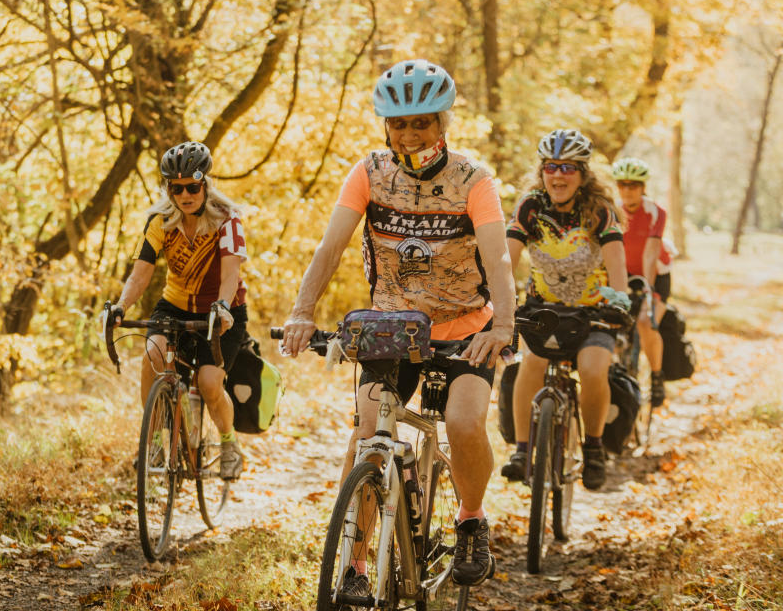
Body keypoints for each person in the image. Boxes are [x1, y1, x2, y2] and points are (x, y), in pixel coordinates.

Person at [280, 59, 516, 588]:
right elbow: (331, 245)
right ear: (386, 124)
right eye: (399, 123)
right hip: (392, 329)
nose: (409, 134)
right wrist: (302, 311)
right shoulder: (369, 173)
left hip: (464, 330)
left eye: (422, 122)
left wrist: (502, 325)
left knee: (462, 422)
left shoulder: (474, 180)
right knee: (368, 434)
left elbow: (499, 258)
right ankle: (355, 564)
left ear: (443, 122)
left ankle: (471, 520)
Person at [107, 141, 250, 481]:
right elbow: (141, 272)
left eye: (192, 187)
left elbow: (231, 275)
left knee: (210, 383)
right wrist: (121, 305)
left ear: (205, 185)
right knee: (153, 355)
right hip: (174, 304)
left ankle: (229, 444)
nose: (185, 195)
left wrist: (223, 307)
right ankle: (155, 439)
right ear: (168, 189)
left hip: (222, 309)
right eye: (176, 188)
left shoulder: (227, 221)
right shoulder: (160, 221)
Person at [500, 129, 630, 491]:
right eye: (551, 167)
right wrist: (498, 297)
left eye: (568, 168)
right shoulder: (530, 207)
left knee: (591, 369)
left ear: (583, 174)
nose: (558, 175)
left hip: (594, 313)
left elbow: (617, 264)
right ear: (542, 171)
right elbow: (507, 259)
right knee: (532, 363)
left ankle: (593, 448)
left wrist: (620, 301)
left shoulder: (600, 211)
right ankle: (523, 451)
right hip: (545, 309)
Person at [612, 156, 671, 407]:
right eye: (623, 184)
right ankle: (621, 373)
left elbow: (651, 250)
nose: (627, 190)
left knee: (647, 322)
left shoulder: (655, 212)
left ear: (643, 187)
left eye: (633, 185)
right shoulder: (611, 210)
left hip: (655, 273)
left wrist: (647, 288)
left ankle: (657, 375)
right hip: (622, 274)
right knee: (612, 324)